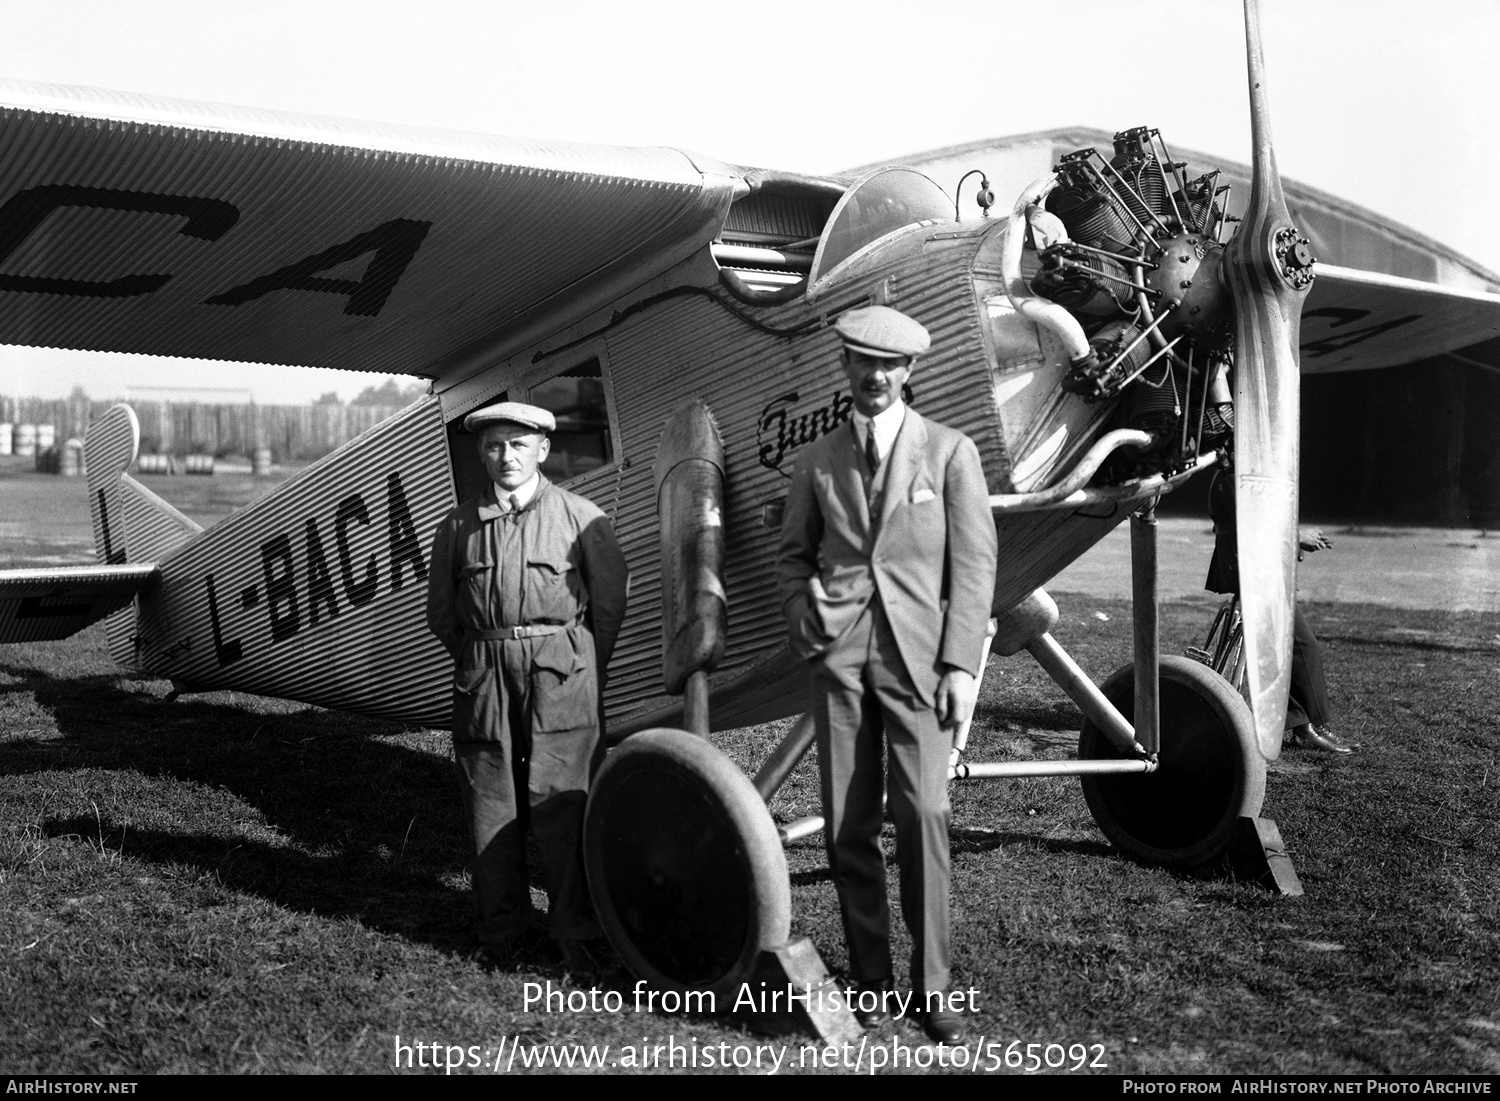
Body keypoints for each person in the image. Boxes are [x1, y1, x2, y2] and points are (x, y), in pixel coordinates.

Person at [777, 305, 998, 1044]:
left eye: (888, 365)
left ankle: (932, 987)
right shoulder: (817, 460)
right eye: (861, 362)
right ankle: (870, 981)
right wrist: (809, 624)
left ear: (909, 372)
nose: (874, 376)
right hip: (838, 659)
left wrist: (962, 663)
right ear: (844, 367)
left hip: (919, 663)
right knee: (847, 824)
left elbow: (974, 569)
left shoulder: (949, 453)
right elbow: (792, 557)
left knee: (925, 814)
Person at [426, 401, 629, 972]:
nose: (505, 457)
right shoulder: (458, 525)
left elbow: (609, 603)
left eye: (518, 445)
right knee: (491, 801)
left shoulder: (580, 516)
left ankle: (575, 928)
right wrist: (483, 658)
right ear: (481, 454)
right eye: (493, 446)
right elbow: (442, 614)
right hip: (484, 672)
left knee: (562, 799)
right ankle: (503, 931)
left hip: (562, 672)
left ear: (542, 450)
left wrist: (582, 666)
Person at [1204, 462, 1351, 754]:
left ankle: (1307, 727)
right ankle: (1308, 728)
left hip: (1253, 565)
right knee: (1300, 646)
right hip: (1253, 567)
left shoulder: (1234, 474)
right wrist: (1297, 537)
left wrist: (1295, 539)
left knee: (1281, 650)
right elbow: (1253, 526)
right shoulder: (1236, 477)